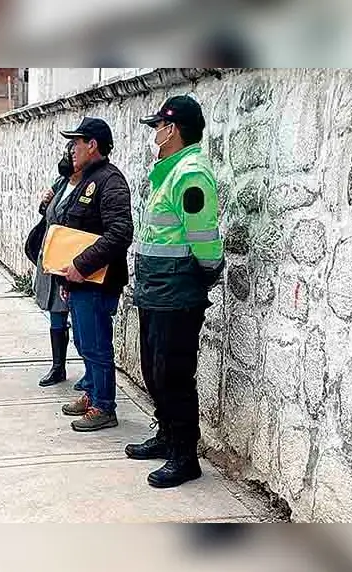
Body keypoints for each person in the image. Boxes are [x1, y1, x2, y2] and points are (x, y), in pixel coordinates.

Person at [128, 95, 225, 488]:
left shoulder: (190, 174)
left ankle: (185, 457)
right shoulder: (167, 171)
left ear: (173, 129)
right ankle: (167, 435)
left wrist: (206, 271)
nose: (155, 134)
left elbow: (203, 237)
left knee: (174, 374)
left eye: (158, 127)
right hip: (156, 287)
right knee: (153, 369)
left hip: (178, 288)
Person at [54, 117, 133, 432]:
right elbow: (75, 231)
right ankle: (92, 395)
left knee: (97, 343)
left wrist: (81, 266)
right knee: (85, 341)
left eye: (77, 142)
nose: (72, 148)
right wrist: (66, 279)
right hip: (79, 281)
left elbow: (120, 233)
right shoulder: (87, 179)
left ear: (93, 145)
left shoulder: (110, 181)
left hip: (99, 282)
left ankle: (104, 406)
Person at [32, 141, 90, 392]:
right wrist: (45, 202)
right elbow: (47, 215)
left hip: (74, 258)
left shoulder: (90, 185)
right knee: (56, 311)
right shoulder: (61, 183)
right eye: (69, 152)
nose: (70, 157)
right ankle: (58, 366)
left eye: (74, 152)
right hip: (53, 256)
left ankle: (90, 373)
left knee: (80, 317)